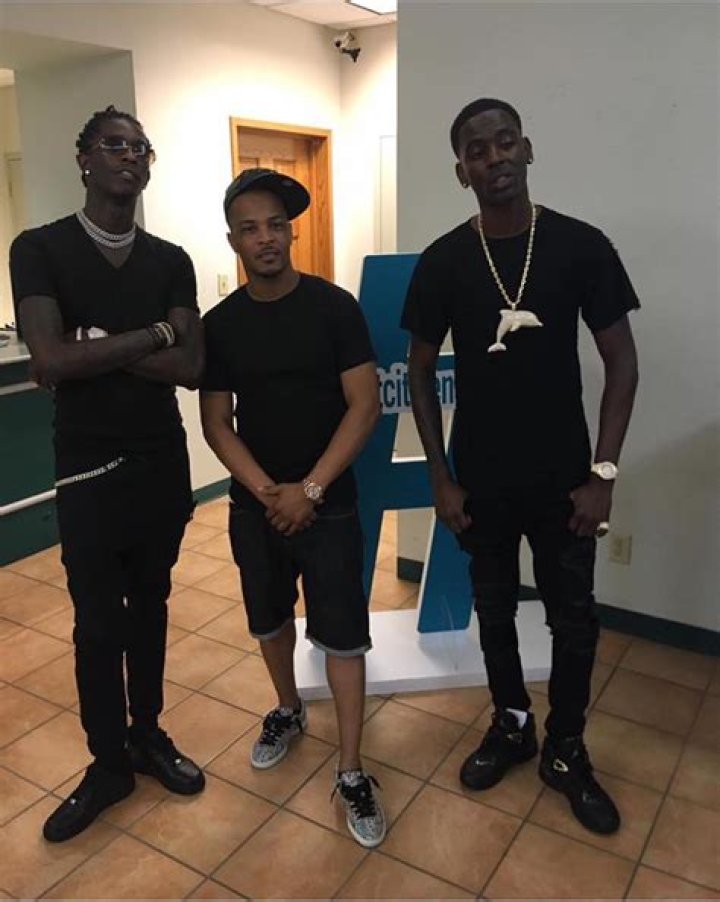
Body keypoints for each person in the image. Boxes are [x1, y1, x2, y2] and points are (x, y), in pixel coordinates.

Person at [402, 98, 639, 835]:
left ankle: (566, 747)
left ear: (528, 149)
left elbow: (622, 362)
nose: (494, 157)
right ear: (461, 171)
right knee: (495, 611)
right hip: (480, 482)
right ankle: (511, 726)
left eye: (505, 142)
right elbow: (417, 370)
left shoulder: (580, 246)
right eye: (477, 150)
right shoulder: (444, 260)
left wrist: (603, 475)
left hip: (566, 482)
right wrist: (439, 476)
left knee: (575, 622)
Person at [10, 106, 206, 842]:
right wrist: (155, 332)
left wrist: (98, 343)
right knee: (97, 624)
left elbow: (192, 366)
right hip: (88, 467)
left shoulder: (171, 261)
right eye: (113, 145)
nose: (129, 156)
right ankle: (108, 763)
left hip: (160, 463)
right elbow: (50, 361)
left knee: (150, 607)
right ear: (84, 159)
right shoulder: (40, 249)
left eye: (140, 147)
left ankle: (147, 734)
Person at [200, 168, 385, 848]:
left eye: (276, 225)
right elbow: (217, 423)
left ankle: (351, 769)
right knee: (270, 620)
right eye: (250, 228)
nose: (266, 238)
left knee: (343, 635)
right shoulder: (221, 326)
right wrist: (267, 493)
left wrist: (308, 490)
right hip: (256, 508)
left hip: (329, 505)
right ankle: (287, 708)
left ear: (291, 232)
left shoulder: (335, 309)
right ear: (233, 241)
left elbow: (365, 405)